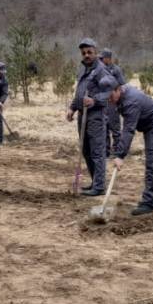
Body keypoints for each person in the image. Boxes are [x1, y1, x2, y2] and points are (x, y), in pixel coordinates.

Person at [107, 76, 153, 215]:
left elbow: (128, 130)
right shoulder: (118, 97)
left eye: (110, 95)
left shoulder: (131, 101)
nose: (108, 99)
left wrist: (120, 155)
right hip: (150, 127)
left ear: (118, 90)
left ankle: (149, 203)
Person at [66, 38, 110, 196]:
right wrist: (72, 108)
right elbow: (80, 91)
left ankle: (99, 187)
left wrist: (94, 100)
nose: (86, 55)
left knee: (97, 152)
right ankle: (94, 182)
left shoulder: (101, 70)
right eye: (83, 53)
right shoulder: (83, 69)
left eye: (89, 52)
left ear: (95, 52)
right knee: (86, 151)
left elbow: (109, 93)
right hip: (82, 114)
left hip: (96, 115)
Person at [99, 48, 126, 156]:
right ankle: (106, 152)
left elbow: (122, 85)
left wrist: (118, 101)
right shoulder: (100, 69)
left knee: (115, 128)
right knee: (104, 128)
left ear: (108, 58)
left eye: (102, 58)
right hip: (103, 103)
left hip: (113, 103)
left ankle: (117, 151)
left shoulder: (116, 70)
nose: (100, 60)